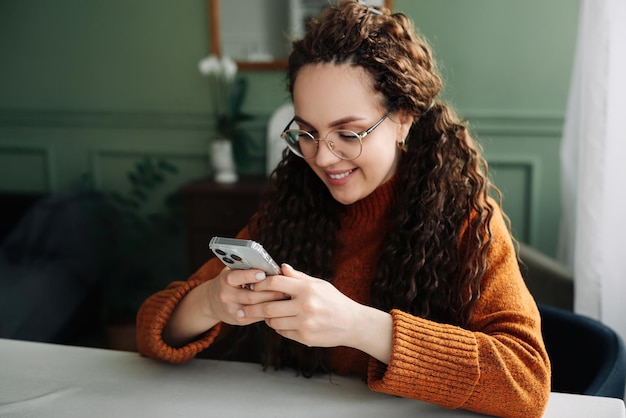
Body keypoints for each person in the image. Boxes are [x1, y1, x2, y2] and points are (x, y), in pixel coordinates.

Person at [136, 1, 551, 416]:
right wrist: (212, 301)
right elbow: (150, 330)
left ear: (403, 117)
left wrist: (360, 326)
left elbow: (526, 382)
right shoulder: (291, 208)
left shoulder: (465, 220)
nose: (324, 157)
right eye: (308, 133)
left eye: (348, 133)